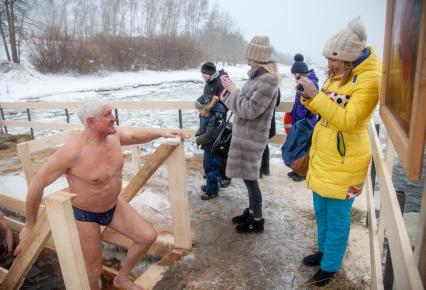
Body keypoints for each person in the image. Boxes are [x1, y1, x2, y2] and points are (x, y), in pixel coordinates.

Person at [14, 98, 185, 290]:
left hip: (113, 206)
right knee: (93, 271)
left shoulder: (113, 136)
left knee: (147, 236)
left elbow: (135, 136)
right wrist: (29, 224)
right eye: (107, 115)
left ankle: (122, 278)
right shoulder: (72, 152)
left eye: (112, 112)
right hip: (85, 215)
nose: (114, 118)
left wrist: (161, 132)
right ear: (90, 122)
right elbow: (38, 183)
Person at [296, 17, 380, 286]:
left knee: (338, 217)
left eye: (333, 60)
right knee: (321, 211)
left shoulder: (369, 80)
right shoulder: (338, 76)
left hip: (345, 162)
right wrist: (307, 93)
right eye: (328, 59)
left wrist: (316, 96)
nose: (329, 65)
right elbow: (322, 109)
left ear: (348, 58)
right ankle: (324, 252)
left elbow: (348, 120)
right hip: (325, 157)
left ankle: (331, 265)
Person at [220, 35, 281, 233]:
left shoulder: (268, 80)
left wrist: (233, 90)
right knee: (248, 178)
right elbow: (241, 106)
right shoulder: (257, 78)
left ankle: (257, 218)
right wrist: (227, 94)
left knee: (251, 179)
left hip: (252, 138)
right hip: (245, 136)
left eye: (250, 58)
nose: (247, 61)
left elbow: (249, 110)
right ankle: (252, 210)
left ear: (260, 58)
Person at [199, 62, 232, 188]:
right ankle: (212, 174)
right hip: (209, 119)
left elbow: (225, 102)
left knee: (220, 148)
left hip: (218, 120)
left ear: (210, 73)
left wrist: (212, 109)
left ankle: (225, 176)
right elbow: (206, 98)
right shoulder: (209, 82)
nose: (202, 76)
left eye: (204, 74)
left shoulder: (220, 82)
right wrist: (203, 108)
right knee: (210, 148)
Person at [287, 53, 319, 182]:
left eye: (296, 74)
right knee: (298, 146)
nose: (294, 77)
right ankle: (297, 169)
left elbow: (313, 103)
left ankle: (303, 172)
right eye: (293, 74)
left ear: (302, 72)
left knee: (304, 147)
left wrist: (305, 118)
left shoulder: (311, 83)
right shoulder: (302, 81)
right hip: (299, 120)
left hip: (306, 122)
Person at [195, 93, 226, 200]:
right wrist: (198, 134)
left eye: (199, 109)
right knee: (208, 168)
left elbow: (210, 135)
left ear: (206, 107)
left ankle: (212, 191)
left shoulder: (216, 117)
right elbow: (203, 127)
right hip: (208, 147)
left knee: (212, 169)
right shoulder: (206, 114)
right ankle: (210, 185)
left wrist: (198, 140)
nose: (198, 112)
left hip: (214, 148)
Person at [259, 88, 281, 178]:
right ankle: (266, 169)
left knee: (259, 146)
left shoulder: (262, 86)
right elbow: (277, 102)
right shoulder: (276, 86)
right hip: (269, 122)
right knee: (264, 145)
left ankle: (259, 170)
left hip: (260, 122)